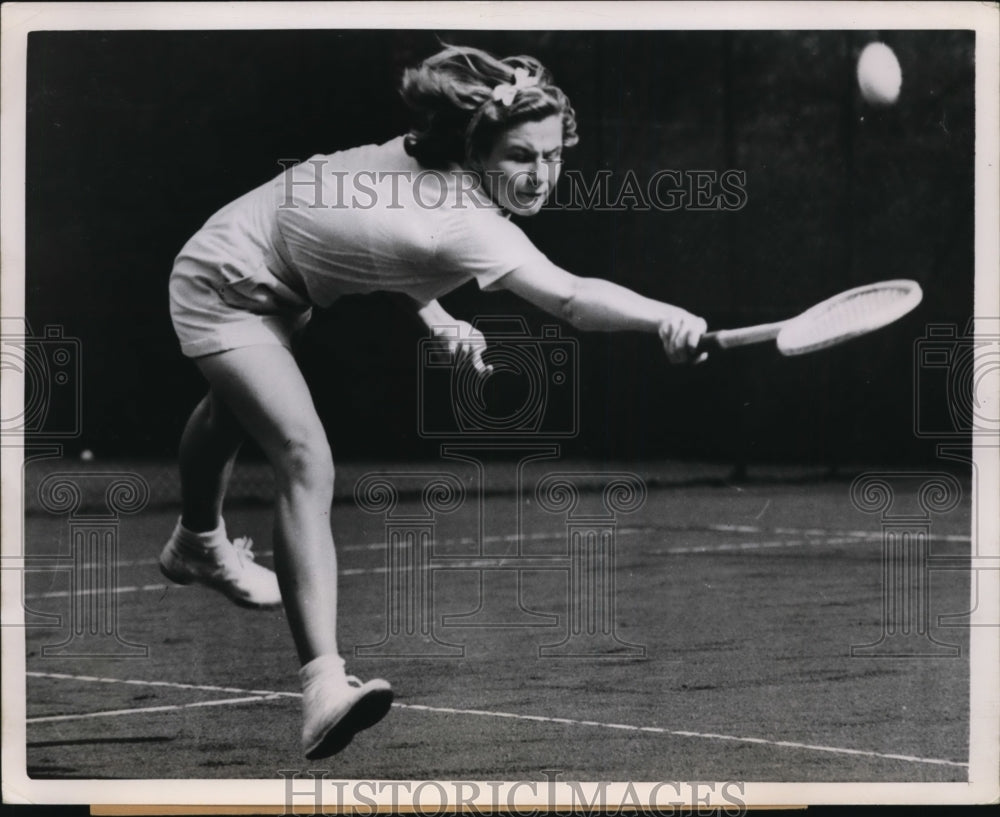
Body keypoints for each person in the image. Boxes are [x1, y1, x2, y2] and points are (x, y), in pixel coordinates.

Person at [160, 44, 707, 759]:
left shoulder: (434, 166)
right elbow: (570, 297)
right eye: (520, 157)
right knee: (303, 455)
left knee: (230, 411)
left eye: (553, 155)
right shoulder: (470, 223)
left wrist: (438, 315)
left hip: (280, 273)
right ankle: (323, 686)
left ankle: (195, 541)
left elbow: (379, 240)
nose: (541, 176)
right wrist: (666, 316)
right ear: (478, 152)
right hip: (224, 275)